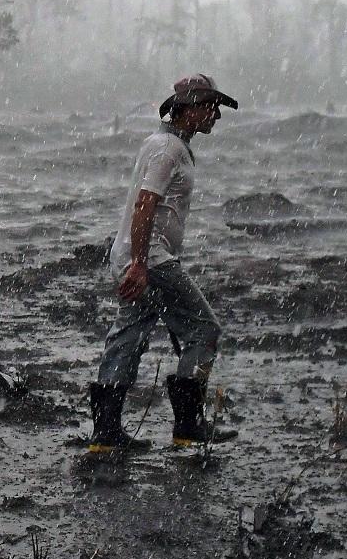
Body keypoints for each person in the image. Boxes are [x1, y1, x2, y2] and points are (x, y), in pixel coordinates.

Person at [87, 73, 239, 452]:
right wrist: (140, 264)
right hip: (150, 258)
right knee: (204, 330)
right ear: (190, 110)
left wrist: (134, 261)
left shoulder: (164, 144)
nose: (216, 117)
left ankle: (106, 434)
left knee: (130, 334)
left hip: (136, 255)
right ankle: (188, 426)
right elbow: (144, 204)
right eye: (212, 108)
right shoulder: (167, 149)